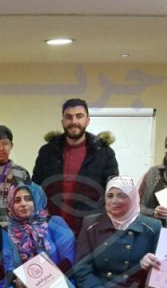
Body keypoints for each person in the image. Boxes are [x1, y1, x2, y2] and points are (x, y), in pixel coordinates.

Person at [32, 98, 118, 236]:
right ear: (62, 122)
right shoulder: (47, 152)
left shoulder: (104, 152)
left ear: (87, 120)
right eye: (69, 117)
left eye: (79, 116)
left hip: (89, 231)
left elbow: (112, 193)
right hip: (51, 229)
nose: (74, 121)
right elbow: (36, 189)